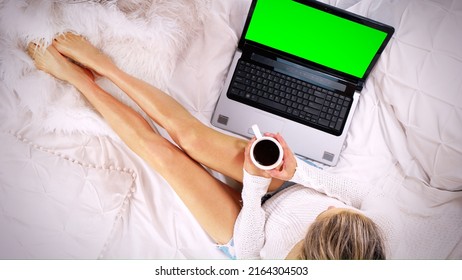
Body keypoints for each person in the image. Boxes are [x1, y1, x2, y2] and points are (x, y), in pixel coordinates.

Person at [27, 33, 395, 259]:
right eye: (331, 212)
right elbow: (353, 192)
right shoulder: (367, 236)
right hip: (289, 185)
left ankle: (78, 79)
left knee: (165, 156)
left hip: (246, 230)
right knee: (189, 136)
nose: (326, 212)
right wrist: (297, 171)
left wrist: (252, 188)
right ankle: (107, 68)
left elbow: (251, 254)